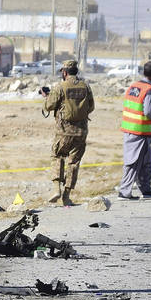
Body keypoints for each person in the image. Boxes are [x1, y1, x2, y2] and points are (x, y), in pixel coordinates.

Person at [40, 59, 94, 206]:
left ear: (64, 72)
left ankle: (56, 188)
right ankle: (66, 196)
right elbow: (91, 107)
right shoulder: (85, 86)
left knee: (57, 156)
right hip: (81, 132)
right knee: (74, 163)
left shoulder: (60, 87)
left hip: (63, 132)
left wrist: (46, 97)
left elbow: (49, 106)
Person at [117, 60, 151, 200]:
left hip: (132, 129)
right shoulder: (148, 89)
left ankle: (146, 189)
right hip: (140, 131)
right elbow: (148, 111)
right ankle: (124, 192)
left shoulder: (134, 86)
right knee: (133, 162)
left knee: (147, 161)